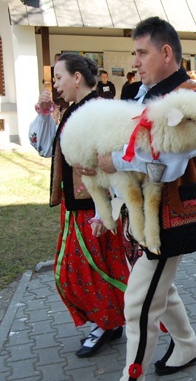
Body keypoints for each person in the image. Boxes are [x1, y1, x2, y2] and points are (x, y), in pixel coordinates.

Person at [84, 17, 196, 381]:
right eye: (135, 53)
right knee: (158, 285)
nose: (136, 61)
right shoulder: (143, 92)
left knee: (139, 302)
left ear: (166, 53)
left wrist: (116, 160)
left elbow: (172, 161)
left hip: (172, 214)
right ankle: (188, 344)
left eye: (142, 52)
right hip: (142, 211)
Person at [38, 53, 129, 358]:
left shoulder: (100, 112)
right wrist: (43, 113)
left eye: (59, 78)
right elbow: (46, 148)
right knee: (76, 269)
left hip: (95, 208)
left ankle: (108, 323)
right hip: (74, 204)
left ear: (76, 78)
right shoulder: (72, 111)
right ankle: (109, 321)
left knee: (91, 268)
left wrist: (109, 208)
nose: (56, 85)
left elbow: (119, 161)